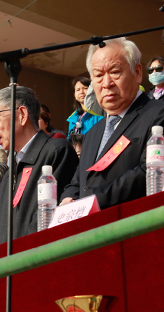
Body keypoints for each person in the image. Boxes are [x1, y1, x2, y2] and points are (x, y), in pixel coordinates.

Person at [62, 38, 164, 209]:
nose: (107, 84)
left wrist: (94, 201)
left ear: (137, 73)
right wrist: (68, 199)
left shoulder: (158, 114)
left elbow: (148, 171)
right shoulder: (93, 132)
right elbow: (79, 182)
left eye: (115, 72)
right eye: (98, 76)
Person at [0, 86, 79, 246]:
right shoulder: (10, 173)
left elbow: (48, 219)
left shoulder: (56, 151)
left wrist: (19, 254)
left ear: (22, 115)